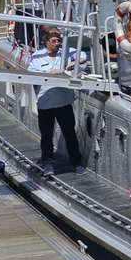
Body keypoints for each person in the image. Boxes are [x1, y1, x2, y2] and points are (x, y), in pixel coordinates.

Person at [28, 28, 86, 173]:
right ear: (46, 42)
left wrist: (75, 62)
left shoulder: (66, 52)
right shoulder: (37, 57)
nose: (57, 43)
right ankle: (47, 162)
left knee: (69, 133)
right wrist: (50, 73)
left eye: (58, 40)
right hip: (45, 103)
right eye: (53, 41)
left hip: (64, 102)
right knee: (46, 135)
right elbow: (30, 73)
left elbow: (84, 55)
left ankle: (76, 161)